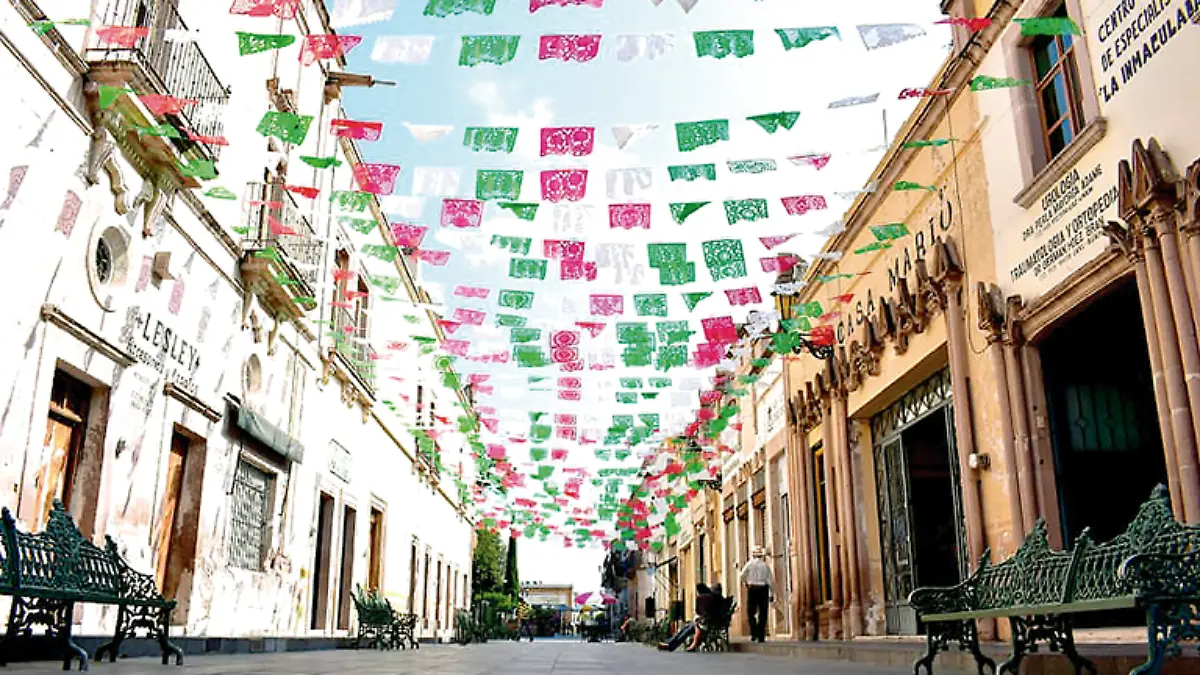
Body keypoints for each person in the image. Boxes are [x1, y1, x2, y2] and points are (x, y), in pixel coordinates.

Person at [658, 584, 717, 652]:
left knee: (686, 629)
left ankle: (670, 644)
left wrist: (699, 618)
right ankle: (670, 642)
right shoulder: (717, 599)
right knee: (686, 628)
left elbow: (700, 611)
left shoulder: (705, 598)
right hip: (707, 621)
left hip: (705, 622)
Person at [740, 547, 775, 643]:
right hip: (763, 589)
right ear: (762, 556)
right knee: (763, 612)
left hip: (752, 589)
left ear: (753, 555)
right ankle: (761, 635)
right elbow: (770, 580)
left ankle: (753, 633)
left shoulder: (750, 564)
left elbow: (742, 575)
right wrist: (771, 593)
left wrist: (746, 583)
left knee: (751, 612)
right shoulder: (765, 566)